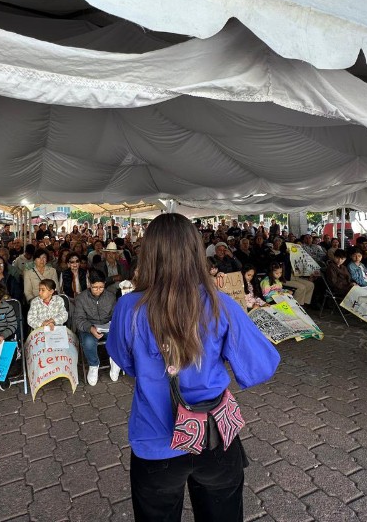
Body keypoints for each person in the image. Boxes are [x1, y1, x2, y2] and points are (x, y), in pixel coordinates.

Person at [106, 213, 280, 521]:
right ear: (195, 252)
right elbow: (260, 367)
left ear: (149, 254)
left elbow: (125, 362)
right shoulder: (220, 304)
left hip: (154, 441)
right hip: (214, 436)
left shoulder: (127, 308)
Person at [73, 270, 118, 386]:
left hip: (107, 326)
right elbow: (79, 319)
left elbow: (116, 315)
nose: (98, 290)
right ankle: (93, 365)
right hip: (89, 327)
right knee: (88, 342)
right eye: (95, 287)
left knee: (118, 336)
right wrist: (91, 328)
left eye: (101, 287)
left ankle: (115, 361)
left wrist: (112, 324)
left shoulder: (111, 297)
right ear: (89, 284)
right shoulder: (81, 298)